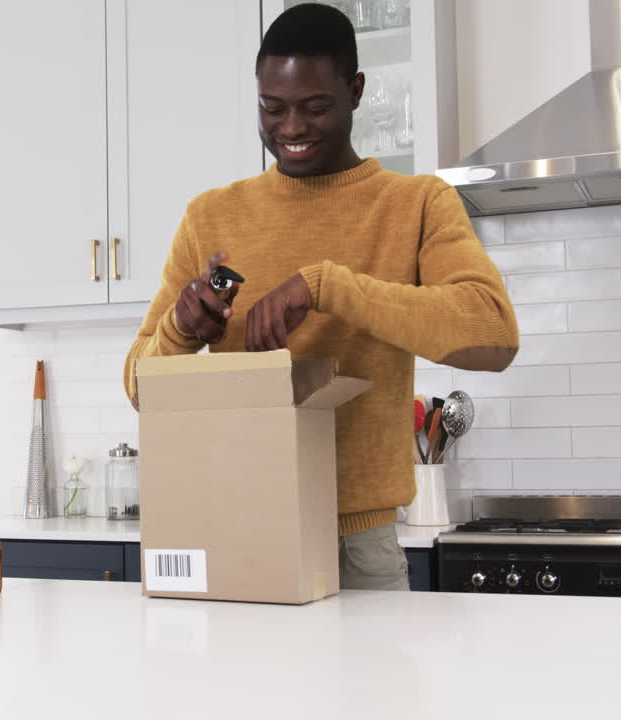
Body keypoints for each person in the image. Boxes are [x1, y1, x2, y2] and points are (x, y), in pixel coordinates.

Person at [122, 3, 518, 591]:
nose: (291, 128)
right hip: (232, 526)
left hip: (361, 546)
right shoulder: (210, 216)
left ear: (356, 91)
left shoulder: (416, 204)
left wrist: (326, 286)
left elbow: (493, 335)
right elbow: (140, 389)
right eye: (271, 108)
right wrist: (180, 329)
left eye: (315, 107)